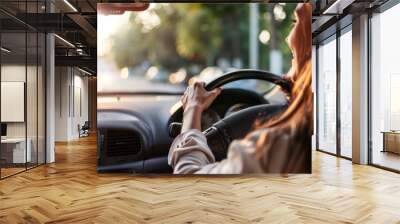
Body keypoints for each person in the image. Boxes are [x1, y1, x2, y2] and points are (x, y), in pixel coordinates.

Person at [168, 3, 312, 174]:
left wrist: (192, 109)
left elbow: (188, 177)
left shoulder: (280, 146)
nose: (299, 8)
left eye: (294, 60)